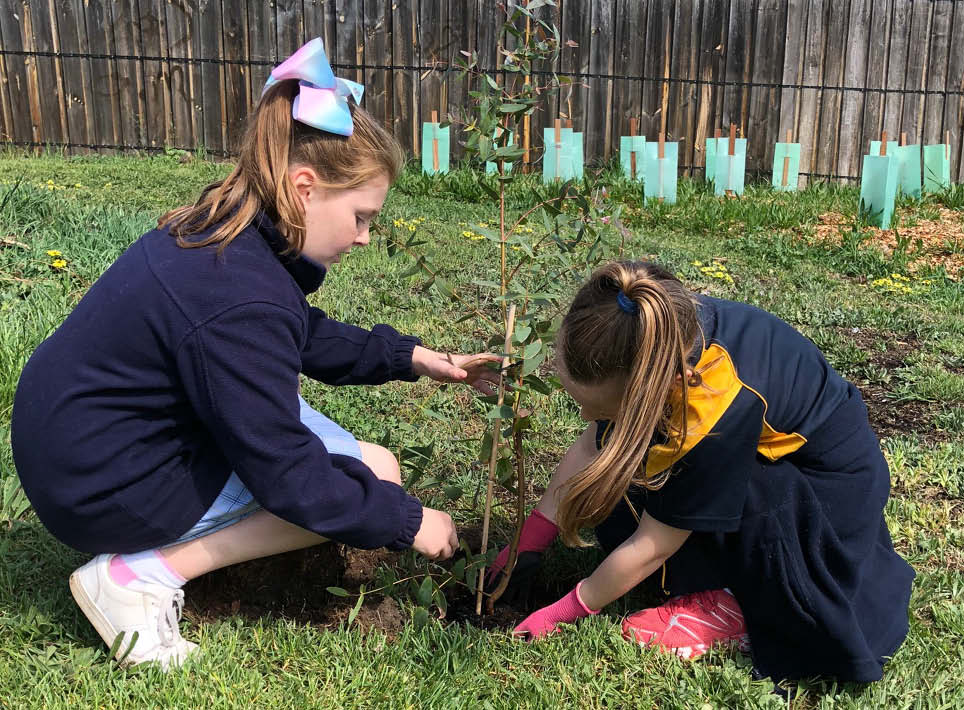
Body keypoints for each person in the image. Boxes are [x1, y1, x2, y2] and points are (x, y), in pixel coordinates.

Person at [11, 38, 498, 671]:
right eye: (360, 215)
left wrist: (413, 358)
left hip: (85, 441)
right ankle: (139, 578)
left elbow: (296, 332)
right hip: (105, 484)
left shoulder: (226, 233)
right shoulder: (242, 301)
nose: (364, 236)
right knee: (366, 480)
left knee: (368, 464)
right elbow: (288, 475)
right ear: (304, 188)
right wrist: (407, 521)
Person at [489, 260, 915, 682]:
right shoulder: (647, 330)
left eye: (597, 407)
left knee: (673, 502)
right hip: (748, 455)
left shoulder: (713, 404)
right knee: (622, 481)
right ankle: (714, 570)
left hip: (817, 503)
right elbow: (592, 443)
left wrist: (573, 606)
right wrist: (535, 533)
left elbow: (654, 543)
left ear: (646, 387)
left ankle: (737, 603)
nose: (585, 414)